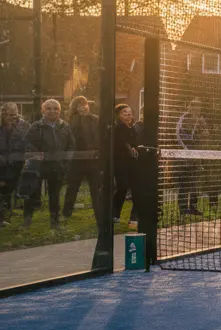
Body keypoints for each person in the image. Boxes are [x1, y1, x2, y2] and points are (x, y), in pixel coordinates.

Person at [22, 99, 75, 232]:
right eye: (49, 108)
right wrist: (35, 154)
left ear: (60, 111)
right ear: (43, 111)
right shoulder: (36, 126)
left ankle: (55, 222)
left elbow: (71, 145)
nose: (52, 111)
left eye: (55, 108)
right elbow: (27, 142)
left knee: (55, 195)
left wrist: (66, 162)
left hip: (57, 166)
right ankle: (27, 221)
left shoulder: (65, 127)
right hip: (38, 166)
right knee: (32, 193)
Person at [62, 96, 104, 225]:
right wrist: (80, 117)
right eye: (79, 105)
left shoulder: (95, 119)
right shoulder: (70, 121)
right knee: (73, 187)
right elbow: (73, 135)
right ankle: (66, 212)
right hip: (77, 159)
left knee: (96, 188)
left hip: (93, 159)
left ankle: (99, 213)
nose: (83, 107)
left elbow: (99, 136)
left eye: (84, 104)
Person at [176, 98, 216, 215]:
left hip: (197, 155)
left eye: (199, 106)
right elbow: (181, 136)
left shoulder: (200, 120)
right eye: (194, 106)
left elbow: (206, 134)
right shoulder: (185, 119)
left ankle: (192, 207)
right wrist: (188, 151)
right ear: (189, 107)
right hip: (185, 155)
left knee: (194, 183)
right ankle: (183, 209)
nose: (197, 109)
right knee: (185, 183)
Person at [111, 104, 141, 228]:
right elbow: (124, 142)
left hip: (133, 164)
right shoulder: (118, 128)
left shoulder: (133, 128)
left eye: (129, 111)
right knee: (122, 188)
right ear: (118, 115)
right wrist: (130, 149)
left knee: (136, 190)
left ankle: (133, 218)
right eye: (124, 112)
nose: (128, 114)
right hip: (121, 163)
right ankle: (114, 215)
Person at [0, 103, 29, 227]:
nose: (12, 118)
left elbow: (29, 141)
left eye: (15, 115)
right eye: (9, 115)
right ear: (3, 114)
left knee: (8, 190)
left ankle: (5, 216)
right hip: (1, 164)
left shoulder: (23, 126)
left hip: (16, 164)